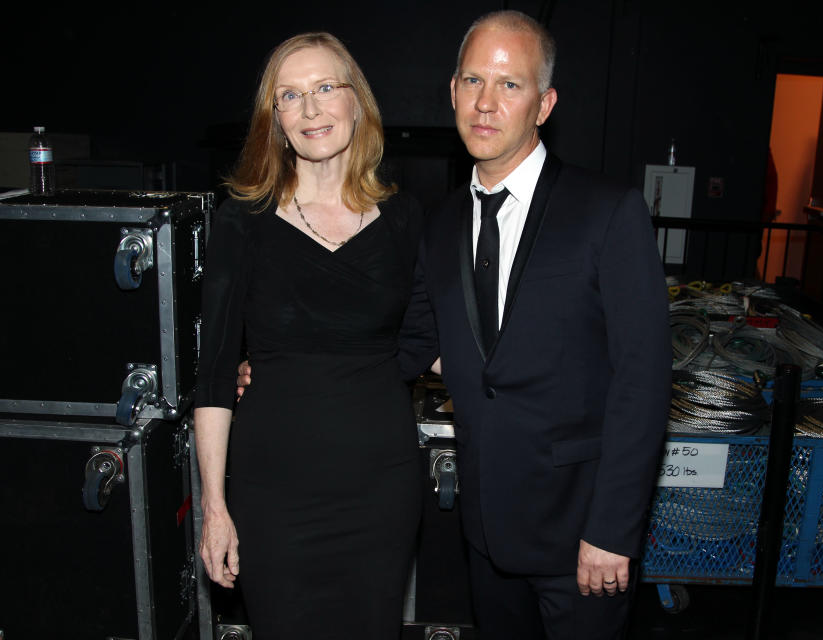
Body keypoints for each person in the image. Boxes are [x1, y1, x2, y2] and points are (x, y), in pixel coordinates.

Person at [395, 11, 671, 639]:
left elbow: (644, 381)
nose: (486, 103)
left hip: (582, 539)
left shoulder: (607, 211)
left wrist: (610, 530)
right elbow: (415, 343)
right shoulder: (438, 226)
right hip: (487, 533)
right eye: (472, 81)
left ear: (544, 104)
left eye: (509, 85)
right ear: (453, 93)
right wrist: (292, 369)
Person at [194, 32, 423, 639]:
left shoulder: (404, 220)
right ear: (276, 120)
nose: (312, 109)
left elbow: (430, 340)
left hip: (382, 486)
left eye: (325, 88)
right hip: (274, 493)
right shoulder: (241, 223)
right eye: (290, 97)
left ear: (357, 102)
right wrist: (214, 508)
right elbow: (215, 374)